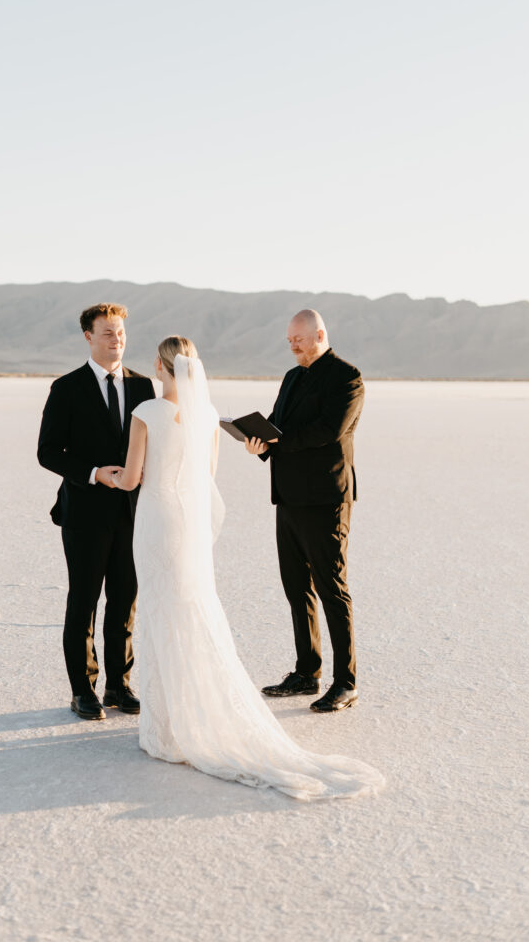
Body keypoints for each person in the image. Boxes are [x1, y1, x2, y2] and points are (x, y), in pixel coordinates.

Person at [111, 335, 383, 801]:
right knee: (192, 610)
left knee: (161, 613)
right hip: (189, 526)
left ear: (160, 366)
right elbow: (205, 478)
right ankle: (195, 713)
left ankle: (167, 728)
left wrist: (108, 475)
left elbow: (133, 478)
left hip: (157, 522)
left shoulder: (147, 414)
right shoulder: (205, 419)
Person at [37, 303, 155, 721]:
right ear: (88, 336)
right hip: (85, 513)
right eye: (107, 333)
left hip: (131, 513)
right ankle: (82, 690)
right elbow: (48, 452)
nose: (116, 340)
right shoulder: (66, 388)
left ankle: (118, 685)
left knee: (125, 602)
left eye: (120, 332)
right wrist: (93, 473)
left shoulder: (143, 387)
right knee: (84, 602)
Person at [245, 309, 364, 713]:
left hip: (326, 500)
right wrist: (259, 442)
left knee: (332, 589)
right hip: (289, 498)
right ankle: (306, 672)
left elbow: (328, 431)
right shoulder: (292, 377)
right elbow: (278, 425)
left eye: (298, 338)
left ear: (320, 334)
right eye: (289, 340)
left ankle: (345, 682)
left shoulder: (347, 377)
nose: (292, 345)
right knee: (297, 588)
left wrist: (278, 442)